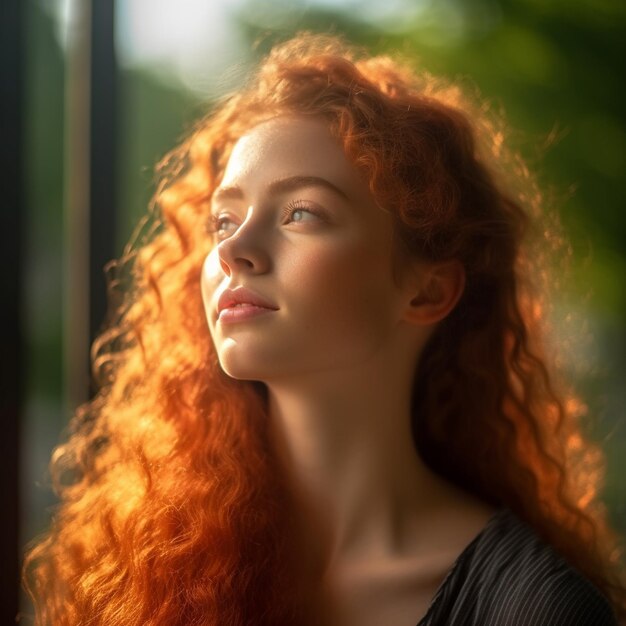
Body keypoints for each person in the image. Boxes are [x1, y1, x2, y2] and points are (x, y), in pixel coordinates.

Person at [23, 33, 624, 625]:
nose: (235, 249)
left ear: (427, 290)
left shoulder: (537, 611)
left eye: (301, 212)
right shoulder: (144, 562)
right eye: (224, 219)